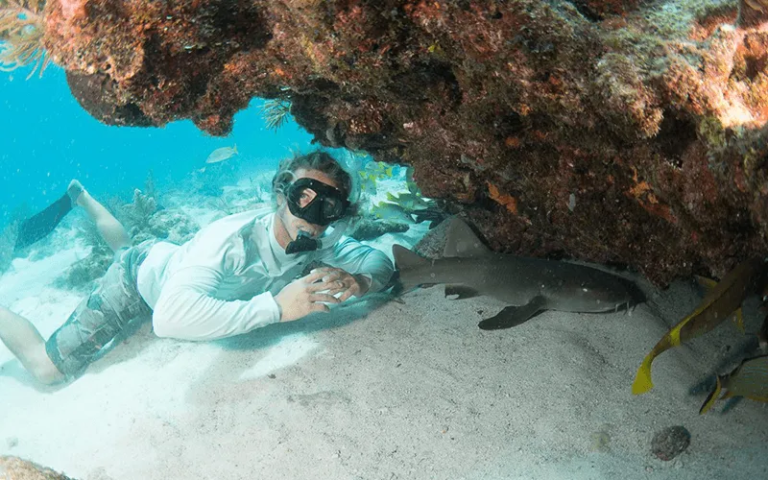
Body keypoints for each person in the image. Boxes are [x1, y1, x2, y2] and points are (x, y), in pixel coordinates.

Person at [0, 151, 394, 385]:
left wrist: (359, 280)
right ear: (281, 194)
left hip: (171, 259)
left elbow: (379, 262)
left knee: (125, 247)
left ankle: (81, 197)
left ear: (339, 214)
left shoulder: (324, 240)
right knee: (46, 369)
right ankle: (80, 205)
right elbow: (169, 319)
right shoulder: (229, 243)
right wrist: (276, 309)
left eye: (326, 207)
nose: (311, 215)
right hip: (139, 281)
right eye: (302, 197)